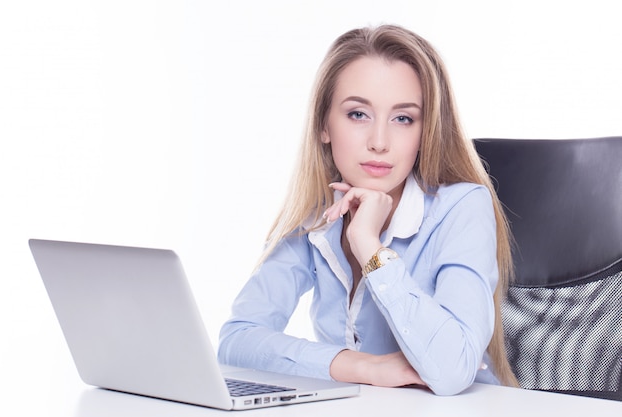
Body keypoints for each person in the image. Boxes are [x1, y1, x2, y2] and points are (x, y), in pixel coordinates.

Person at [217, 24, 519, 396]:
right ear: (324, 125)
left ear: (426, 133)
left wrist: (368, 245)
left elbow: (452, 370)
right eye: (358, 114)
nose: (379, 142)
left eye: (403, 118)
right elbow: (236, 341)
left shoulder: (462, 207)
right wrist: (364, 367)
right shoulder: (317, 213)